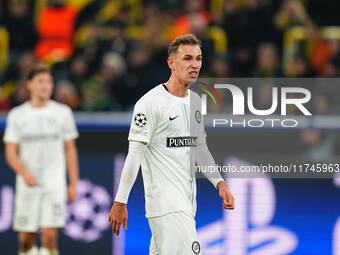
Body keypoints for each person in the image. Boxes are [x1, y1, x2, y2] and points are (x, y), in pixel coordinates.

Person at [109, 33, 235, 254]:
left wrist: (219, 183)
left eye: (198, 58)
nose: (194, 64)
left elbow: (199, 148)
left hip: (186, 206)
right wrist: (120, 201)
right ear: (171, 63)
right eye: (187, 58)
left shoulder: (195, 101)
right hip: (166, 206)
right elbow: (135, 155)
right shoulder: (150, 103)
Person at [3, 64, 79, 255]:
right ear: (29, 85)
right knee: (26, 240)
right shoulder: (17, 115)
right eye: (40, 81)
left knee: (49, 236)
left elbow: (70, 149)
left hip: (54, 185)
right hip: (28, 185)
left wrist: (73, 184)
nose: (45, 86)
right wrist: (24, 173)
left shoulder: (62, 113)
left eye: (49, 81)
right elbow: (11, 151)